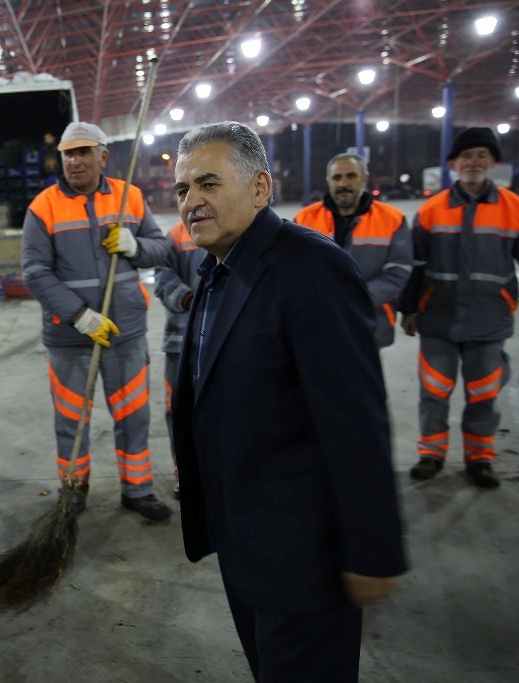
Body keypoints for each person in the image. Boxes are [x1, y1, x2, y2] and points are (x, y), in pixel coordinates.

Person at [170, 122, 406, 682]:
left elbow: (356, 422)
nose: (192, 201)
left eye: (208, 183)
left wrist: (372, 551)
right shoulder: (215, 270)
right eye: (182, 190)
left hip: (305, 557)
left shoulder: (312, 269)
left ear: (260, 188)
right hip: (244, 543)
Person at [21, 121, 171, 521]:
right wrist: (79, 315)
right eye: (69, 153)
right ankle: (74, 490)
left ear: (103, 156)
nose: (75, 160)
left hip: (125, 333)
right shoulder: (44, 207)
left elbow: (162, 249)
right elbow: (35, 272)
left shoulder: (129, 198)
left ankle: (137, 489)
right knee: (71, 419)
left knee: (133, 415)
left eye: (84, 152)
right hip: (70, 337)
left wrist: (135, 245)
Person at [400, 127, 519, 488]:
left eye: (481, 155)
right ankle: (432, 453)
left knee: (484, 393)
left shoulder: (513, 208)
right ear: (453, 164)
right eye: (465, 156)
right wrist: (409, 309)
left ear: (493, 163)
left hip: (490, 319)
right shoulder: (431, 210)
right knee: (434, 391)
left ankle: (480, 458)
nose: (473, 162)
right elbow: (415, 264)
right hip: (439, 317)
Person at [294, 153, 412, 348]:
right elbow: (293, 270)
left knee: (363, 377)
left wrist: (355, 298)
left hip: (369, 321)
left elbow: (399, 270)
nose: (343, 183)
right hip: (318, 321)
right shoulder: (305, 219)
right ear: (328, 181)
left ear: (364, 179)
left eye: (351, 176)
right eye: (337, 177)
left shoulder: (392, 219)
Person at [154, 221, 205, 500]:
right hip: (183, 342)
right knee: (181, 412)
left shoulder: (244, 225)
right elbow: (162, 275)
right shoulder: (176, 234)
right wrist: (188, 298)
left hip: (231, 340)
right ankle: (185, 475)